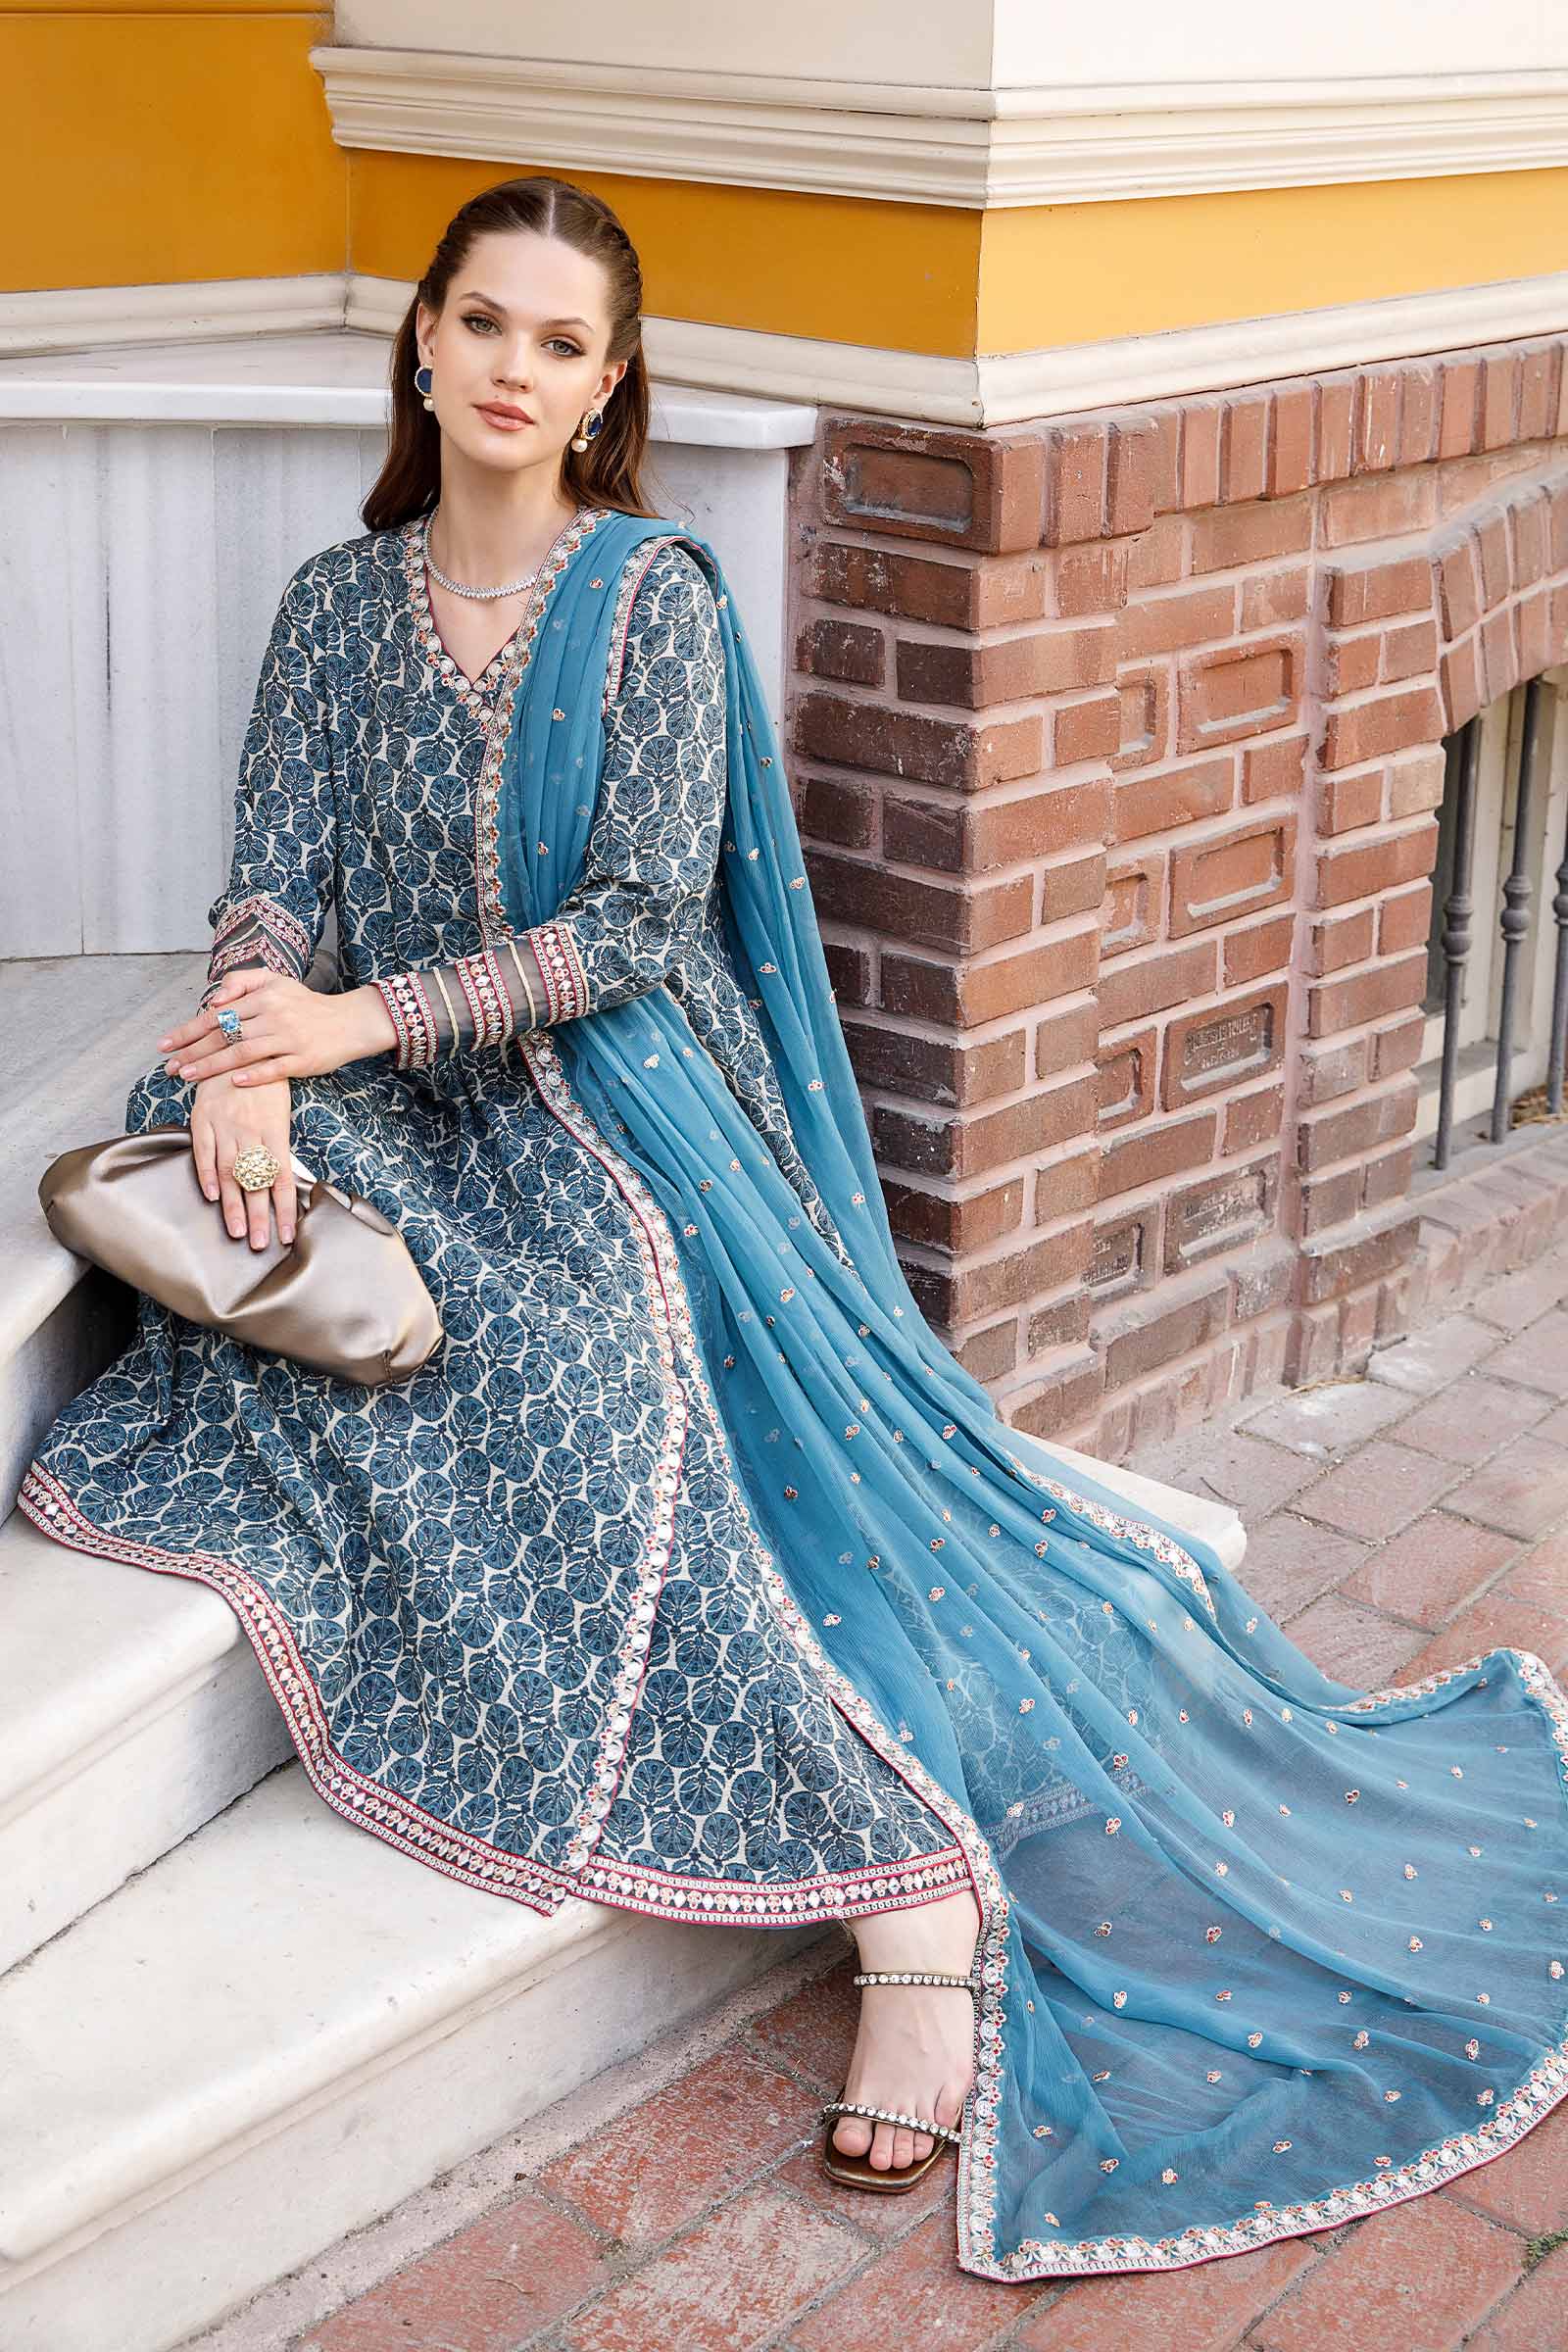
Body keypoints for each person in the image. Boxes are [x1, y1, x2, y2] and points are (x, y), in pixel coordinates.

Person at [20, 173, 1568, 2282]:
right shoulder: (332, 603)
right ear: (422, 343)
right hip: (390, 1092)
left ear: (608, 386)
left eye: (562, 343)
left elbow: (639, 927)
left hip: (607, 1091)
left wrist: (346, 1022)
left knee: (581, 1363)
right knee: (233, 1186)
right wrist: (251, 1044)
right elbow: (274, 869)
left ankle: (907, 1903)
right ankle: (861, 1856)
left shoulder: (644, 600)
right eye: (483, 324)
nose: (513, 369)